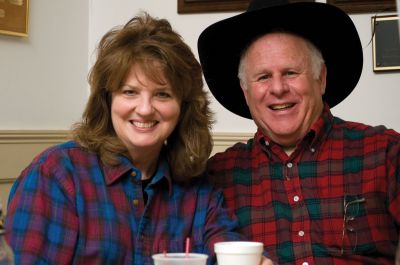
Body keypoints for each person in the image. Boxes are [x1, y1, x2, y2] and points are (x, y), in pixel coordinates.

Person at [4, 12, 274, 265]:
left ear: (183, 107)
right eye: (130, 92)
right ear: (107, 100)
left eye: (162, 94)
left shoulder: (198, 192)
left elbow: (230, 251)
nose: (145, 109)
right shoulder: (57, 176)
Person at [198, 0, 400, 264]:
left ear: (321, 78)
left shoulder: (384, 153)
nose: (278, 88)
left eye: (291, 72)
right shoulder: (218, 177)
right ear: (245, 91)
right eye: (262, 77)